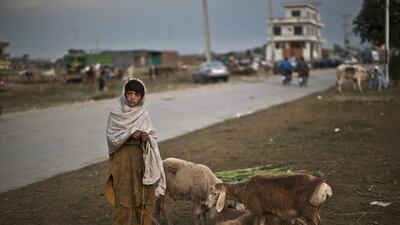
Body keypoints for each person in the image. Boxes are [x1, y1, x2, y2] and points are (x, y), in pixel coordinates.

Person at [105, 78, 166, 225]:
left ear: (142, 97)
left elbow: (152, 136)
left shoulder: (143, 114)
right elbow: (112, 137)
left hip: (141, 162)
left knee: (144, 197)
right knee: (124, 198)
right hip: (123, 161)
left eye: (137, 94)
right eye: (130, 93)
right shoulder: (116, 113)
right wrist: (130, 133)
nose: (133, 97)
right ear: (124, 94)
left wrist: (146, 137)